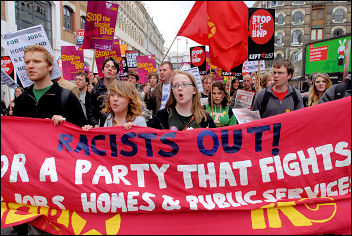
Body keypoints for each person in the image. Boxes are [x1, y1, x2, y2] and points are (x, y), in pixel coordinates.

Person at [12, 45, 87, 235]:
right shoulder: (21, 101)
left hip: (58, 176)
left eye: (36, 61)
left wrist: (66, 125)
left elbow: (83, 135)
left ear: (50, 66)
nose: (30, 66)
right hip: (29, 176)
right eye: (27, 62)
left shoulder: (66, 97)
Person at [148, 70, 216, 130]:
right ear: (172, 91)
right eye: (175, 85)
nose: (179, 88)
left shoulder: (205, 119)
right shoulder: (161, 117)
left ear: (194, 90)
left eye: (185, 84)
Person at [82, 80, 147, 130]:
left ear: (130, 100)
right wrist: (90, 131)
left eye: (120, 95)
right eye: (112, 95)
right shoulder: (109, 118)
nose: (115, 99)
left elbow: (145, 145)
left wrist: (135, 132)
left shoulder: (139, 121)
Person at [87, 57, 119, 127]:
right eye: (107, 66)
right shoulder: (95, 90)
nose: (110, 69)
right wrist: (95, 124)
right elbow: (91, 112)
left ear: (116, 72)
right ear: (103, 70)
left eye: (113, 68)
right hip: (102, 129)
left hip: (119, 127)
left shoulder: (122, 90)